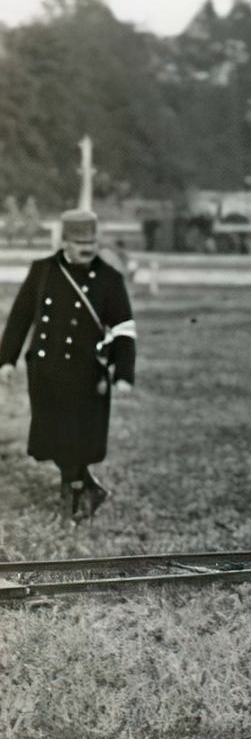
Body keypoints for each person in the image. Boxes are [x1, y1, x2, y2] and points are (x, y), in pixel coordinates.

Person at [0, 209, 137, 522]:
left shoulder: (109, 279)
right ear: (64, 242)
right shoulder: (43, 271)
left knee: (78, 437)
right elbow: (21, 317)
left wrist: (124, 372)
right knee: (52, 436)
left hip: (87, 373)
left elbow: (123, 329)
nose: (87, 250)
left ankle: (73, 497)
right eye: (80, 244)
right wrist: (6, 360)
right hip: (46, 371)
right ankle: (84, 489)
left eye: (92, 244)